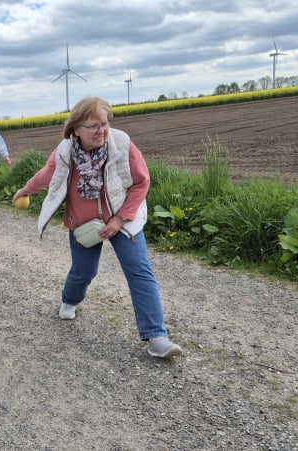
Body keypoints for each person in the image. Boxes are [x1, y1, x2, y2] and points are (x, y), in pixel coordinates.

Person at [12, 96, 183, 359]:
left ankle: (157, 337)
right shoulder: (65, 151)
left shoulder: (121, 144)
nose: (101, 131)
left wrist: (119, 219)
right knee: (84, 271)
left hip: (124, 219)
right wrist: (25, 190)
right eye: (93, 126)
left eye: (104, 124)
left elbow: (142, 182)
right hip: (83, 224)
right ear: (76, 129)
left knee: (139, 270)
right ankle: (70, 300)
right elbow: (47, 173)